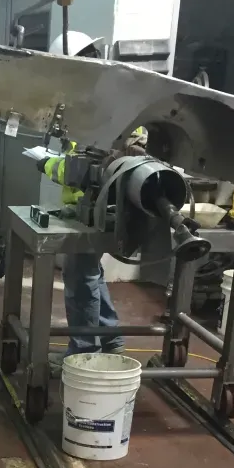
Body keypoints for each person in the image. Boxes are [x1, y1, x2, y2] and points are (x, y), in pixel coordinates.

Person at [47, 32, 148, 368]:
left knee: (80, 277)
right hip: (89, 206)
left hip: (99, 208)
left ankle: (84, 351)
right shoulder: (96, 101)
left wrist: (48, 164)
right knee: (89, 273)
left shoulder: (107, 105)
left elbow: (93, 165)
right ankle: (110, 338)